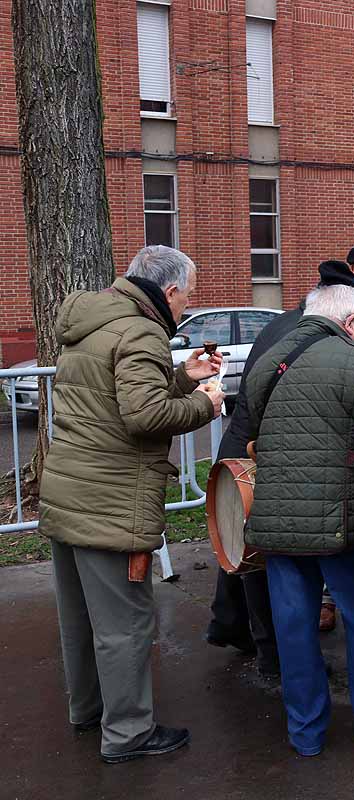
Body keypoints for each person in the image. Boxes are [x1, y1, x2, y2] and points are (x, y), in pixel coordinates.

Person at [40, 245, 224, 763]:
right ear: (168, 292)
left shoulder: (99, 319)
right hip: (111, 500)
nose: (188, 306)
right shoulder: (142, 331)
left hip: (71, 492)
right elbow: (144, 416)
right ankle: (127, 734)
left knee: (79, 618)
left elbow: (115, 395)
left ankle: (90, 712)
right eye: (186, 296)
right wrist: (203, 403)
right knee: (125, 624)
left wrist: (182, 375)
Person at [241, 283, 354, 758]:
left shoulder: (270, 359)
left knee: (293, 629)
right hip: (342, 519)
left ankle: (306, 732)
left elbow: (253, 423)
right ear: (349, 322)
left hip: (278, 520)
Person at [205, 260, 354, 677]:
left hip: (248, 451)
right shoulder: (317, 341)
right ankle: (271, 655)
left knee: (248, 556)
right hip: (267, 459)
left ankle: (241, 634)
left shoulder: (283, 331)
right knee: (261, 564)